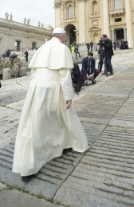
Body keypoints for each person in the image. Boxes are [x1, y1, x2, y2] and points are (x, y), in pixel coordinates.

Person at [12, 27, 88, 182]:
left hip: (36, 88)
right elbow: (65, 75)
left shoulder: (42, 48)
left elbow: (33, 71)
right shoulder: (62, 48)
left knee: (38, 122)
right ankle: (30, 166)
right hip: (53, 87)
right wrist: (68, 95)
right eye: (65, 36)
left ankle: (65, 144)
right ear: (62, 36)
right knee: (62, 115)